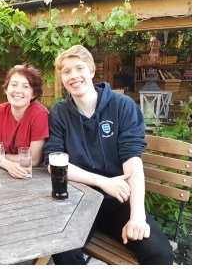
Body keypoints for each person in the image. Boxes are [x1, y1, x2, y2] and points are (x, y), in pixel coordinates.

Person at [43, 45, 173, 265]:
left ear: (92, 70)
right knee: (64, 252)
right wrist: (102, 182)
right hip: (78, 200)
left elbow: (133, 160)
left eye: (79, 68)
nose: (74, 76)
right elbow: (53, 162)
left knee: (158, 253)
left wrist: (137, 216)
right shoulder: (59, 113)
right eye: (66, 71)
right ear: (61, 78)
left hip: (118, 201)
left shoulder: (122, 106)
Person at [0, 63, 49, 179]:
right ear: (6, 89)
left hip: (34, 175)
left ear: (34, 94)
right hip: (3, 173)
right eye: (14, 85)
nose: (18, 91)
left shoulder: (40, 114)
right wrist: (9, 165)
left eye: (25, 86)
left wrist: (3, 156)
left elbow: (34, 159)